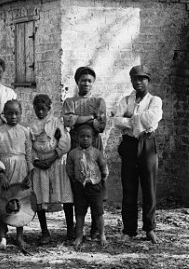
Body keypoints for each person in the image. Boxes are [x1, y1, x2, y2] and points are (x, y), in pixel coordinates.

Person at [112, 65, 163, 244]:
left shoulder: (155, 101)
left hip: (147, 144)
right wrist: (134, 120)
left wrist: (131, 119)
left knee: (149, 188)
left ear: (148, 80)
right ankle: (128, 230)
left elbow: (152, 118)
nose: (138, 82)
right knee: (129, 188)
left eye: (142, 78)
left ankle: (150, 229)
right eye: (135, 79)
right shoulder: (125, 100)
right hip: (129, 145)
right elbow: (116, 120)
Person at [62, 66, 107, 239]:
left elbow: (101, 125)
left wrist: (79, 120)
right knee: (75, 183)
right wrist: (90, 118)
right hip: (75, 144)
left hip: (94, 143)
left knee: (96, 182)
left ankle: (96, 227)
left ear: (93, 83)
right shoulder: (70, 102)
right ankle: (72, 228)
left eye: (89, 80)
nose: (86, 83)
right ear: (77, 82)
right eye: (83, 80)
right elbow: (68, 121)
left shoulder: (98, 101)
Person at [28, 94, 73, 244]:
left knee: (65, 195)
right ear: (34, 108)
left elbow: (65, 142)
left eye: (43, 109)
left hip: (56, 162)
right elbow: (29, 146)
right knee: (40, 197)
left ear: (49, 108)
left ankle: (70, 230)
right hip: (40, 165)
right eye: (37, 109)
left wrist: (53, 157)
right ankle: (45, 231)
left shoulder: (56, 123)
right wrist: (36, 161)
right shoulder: (32, 126)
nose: (40, 112)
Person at [0, 99, 33, 250]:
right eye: (9, 113)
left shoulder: (25, 131)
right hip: (4, 169)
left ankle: (19, 237)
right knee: (3, 201)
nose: (13, 116)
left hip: (21, 169)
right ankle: (2, 237)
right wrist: (1, 175)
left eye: (16, 113)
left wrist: (29, 174)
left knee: (20, 201)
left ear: (21, 114)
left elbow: (29, 154)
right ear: (4, 115)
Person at [66, 125, 108, 249]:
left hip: (95, 187)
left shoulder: (97, 153)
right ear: (77, 138)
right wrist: (75, 179)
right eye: (82, 136)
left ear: (93, 139)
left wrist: (102, 179)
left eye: (88, 136)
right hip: (80, 187)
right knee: (79, 212)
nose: (85, 139)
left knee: (98, 212)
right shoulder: (73, 153)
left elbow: (103, 167)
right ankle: (79, 236)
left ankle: (101, 235)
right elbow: (69, 168)